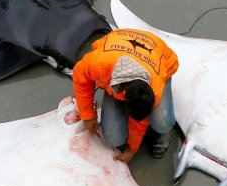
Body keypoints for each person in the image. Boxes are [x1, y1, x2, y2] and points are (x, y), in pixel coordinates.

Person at [72, 29, 179, 163]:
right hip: (118, 43)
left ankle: (162, 133)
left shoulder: (154, 90)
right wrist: (87, 114)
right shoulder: (98, 64)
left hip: (159, 56)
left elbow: (139, 121)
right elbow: (80, 76)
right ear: (123, 92)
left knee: (162, 122)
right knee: (113, 138)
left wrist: (132, 149)